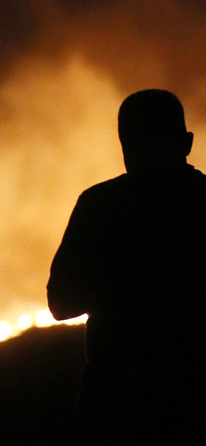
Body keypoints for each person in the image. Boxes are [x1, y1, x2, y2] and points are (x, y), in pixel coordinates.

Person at [47, 89, 206, 444]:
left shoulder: (98, 206)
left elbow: (61, 303)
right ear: (187, 143)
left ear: (125, 147)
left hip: (117, 403)